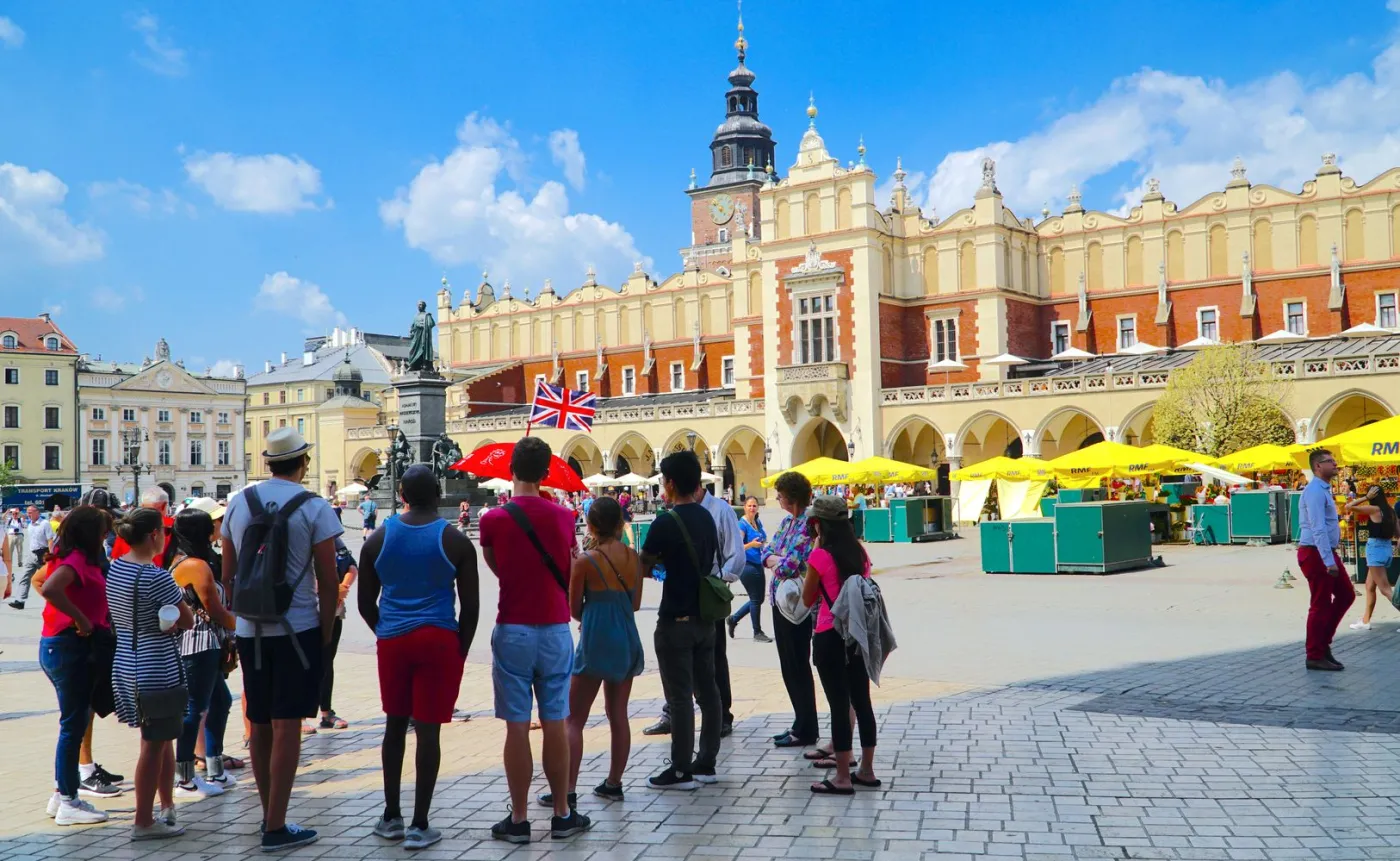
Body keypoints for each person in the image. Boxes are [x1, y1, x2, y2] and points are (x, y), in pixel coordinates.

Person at [222, 428, 342, 851]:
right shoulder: (314, 507)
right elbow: (328, 580)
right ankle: (276, 826)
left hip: (250, 628)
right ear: (303, 462)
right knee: (289, 723)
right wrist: (325, 629)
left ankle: (268, 813)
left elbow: (228, 574)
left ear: (269, 462)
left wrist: (236, 621)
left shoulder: (238, 502)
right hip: (297, 628)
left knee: (258, 722)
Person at [358, 465, 479, 850]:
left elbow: (364, 603)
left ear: (401, 494)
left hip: (394, 639)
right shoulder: (456, 541)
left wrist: (386, 630)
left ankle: (391, 815)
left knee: (395, 726)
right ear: (440, 494)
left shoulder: (377, 540)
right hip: (438, 637)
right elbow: (471, 606)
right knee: (429, 731)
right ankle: (420, 823)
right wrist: (460, 647)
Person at [479, 436, 592, 842]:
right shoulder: (563, 517)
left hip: (513, 627)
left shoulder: (492, 519)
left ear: (511, 470)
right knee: (555, 721)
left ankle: (520, 819)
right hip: (555, 629)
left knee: (516, 727)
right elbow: (569, 565)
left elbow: (498, 567)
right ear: (547, 473)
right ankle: (562, 813)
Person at [544, 497, 644, 808]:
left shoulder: (586, 561)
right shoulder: (633, 557)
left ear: (589, 525)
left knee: (574, 719)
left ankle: (568, 789)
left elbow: (574, 609)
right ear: (619, 524)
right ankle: (614, 782)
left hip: (595, 639)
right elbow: (636, 603)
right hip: (626, 638)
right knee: (619, 715)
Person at [107, 507, 195, 840]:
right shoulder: (156, 576)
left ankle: (167, 806)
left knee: (161, 737)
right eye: (163, 531)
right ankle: (143, 820)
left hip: (127, 661)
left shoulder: (117, 568)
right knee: (153, 745)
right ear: (153, 535)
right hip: (156, 665)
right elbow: (187, 621)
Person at [640, 451, 723, 789]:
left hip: (675, 618)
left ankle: (679, 769)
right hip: (706, 618)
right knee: (709, 692)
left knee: (679, 697)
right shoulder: (707, 517)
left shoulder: (666, 521)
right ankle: (706, 762)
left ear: (670, 484)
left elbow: (643, 565)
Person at [644, 473, 744, 737]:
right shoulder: (677, 515)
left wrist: (716, 582)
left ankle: (722, 716)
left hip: (706, 598)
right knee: (684, 663)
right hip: (680, 596)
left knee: (713, 661)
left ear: (672, 484)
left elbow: (736, 554)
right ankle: (674, 715)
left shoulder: (719, 511)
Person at [37, 505, 114, 826]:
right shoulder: (76, 560)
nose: (106, 536)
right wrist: (79, 618)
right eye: (102, 531)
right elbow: (50, 587)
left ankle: (61, 793)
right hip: (69, 646)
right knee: (73, 725)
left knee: (75, 722)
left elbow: (43, 582)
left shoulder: (72, 557)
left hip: (62, 645)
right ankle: (69, 800)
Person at [801, 496, 880, 794]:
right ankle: (867, 771)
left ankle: (843, 777)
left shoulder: (820, 556)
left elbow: (808, 599)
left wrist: (815, 551)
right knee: (862, 701)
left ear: (819, 523)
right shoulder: (860, 553)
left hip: (828, 634)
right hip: (857, 635)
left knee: (838, 705)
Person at [169, 507, 239, 798]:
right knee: (194, 708)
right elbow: (215, 609)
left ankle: (215, 768)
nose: (217, 529)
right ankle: (185, 777)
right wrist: (244, 625)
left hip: (207, 642)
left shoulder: (197, 561)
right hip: (195, 643)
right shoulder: (194, 565)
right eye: (212, 525)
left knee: (220, 701)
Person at [766, 471, 819, 748]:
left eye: (781, 494)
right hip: (779, 602)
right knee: (788, 665)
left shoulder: (806, 525)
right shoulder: (787, 522)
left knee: (798, 664)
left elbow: (790, 565)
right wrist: (775, 559)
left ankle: (807, 728)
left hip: (798, 606)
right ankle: (800, 722)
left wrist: (776, 561)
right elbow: (766, 552)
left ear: (792, 496)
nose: (777, 498)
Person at [1296, 449, 1353, 671]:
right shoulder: (1314, 491)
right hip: (1316, 552)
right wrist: (1329, 561)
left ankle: (1322, 643)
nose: (1335, 464)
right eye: (1330, 461)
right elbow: (1317, 527)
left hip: (1324, 552)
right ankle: (1315, 653)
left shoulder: (1324, 490)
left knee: (1346, 595)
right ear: (1318, 466)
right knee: (1320, 603)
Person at [1347, 485, 1398, 631]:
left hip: (1375, 550)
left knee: (1385, 589)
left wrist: (1365, 498)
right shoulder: (1390, 511)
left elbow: (1349, 506)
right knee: (1370, 586)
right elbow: (1398, 532)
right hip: (1387, 548)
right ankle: (1365, 620)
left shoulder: (1374, 509)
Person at [727, 497, 770, 642]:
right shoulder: (742, 525)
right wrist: (751, 544)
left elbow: (763, 539)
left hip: (758, 563)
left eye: (754, 506)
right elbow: (738, 547)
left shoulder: (757, 522)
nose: (752, 508)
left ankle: (734, 618)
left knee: (759, 598)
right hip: (747, 565)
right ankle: (757, 632)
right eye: (749, 506)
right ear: (744, 507)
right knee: (755, 599)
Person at [9, 504, 56, 609]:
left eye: (30, 512)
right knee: (25, 576)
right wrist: (14, 511)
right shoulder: (29, 524)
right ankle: (20, 601)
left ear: (37, 512)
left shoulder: (45, 524)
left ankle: (54, 600)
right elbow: (17, 518)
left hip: (43, 553)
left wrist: (51, 554)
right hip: (32, 554)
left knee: (47, 578)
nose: (28, 514)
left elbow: (50, 540)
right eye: (27, 512)